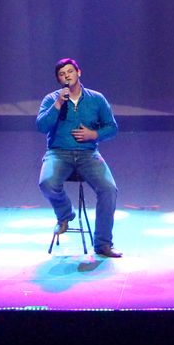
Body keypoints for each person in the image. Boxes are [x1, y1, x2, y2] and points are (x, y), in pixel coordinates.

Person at [35, 56, 121, 257]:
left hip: (88, 154)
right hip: (58, 153)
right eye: (62, 74)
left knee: (109, 189)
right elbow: (41, 126)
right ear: (59, 79)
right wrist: (58, 104)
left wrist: (94, 134)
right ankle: (65, 214)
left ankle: (103, 244)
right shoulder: (51, 99)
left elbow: (112, 127)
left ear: (78, 73)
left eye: (70, 72)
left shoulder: (96, 99)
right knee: (46, 183)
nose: (67, 76)